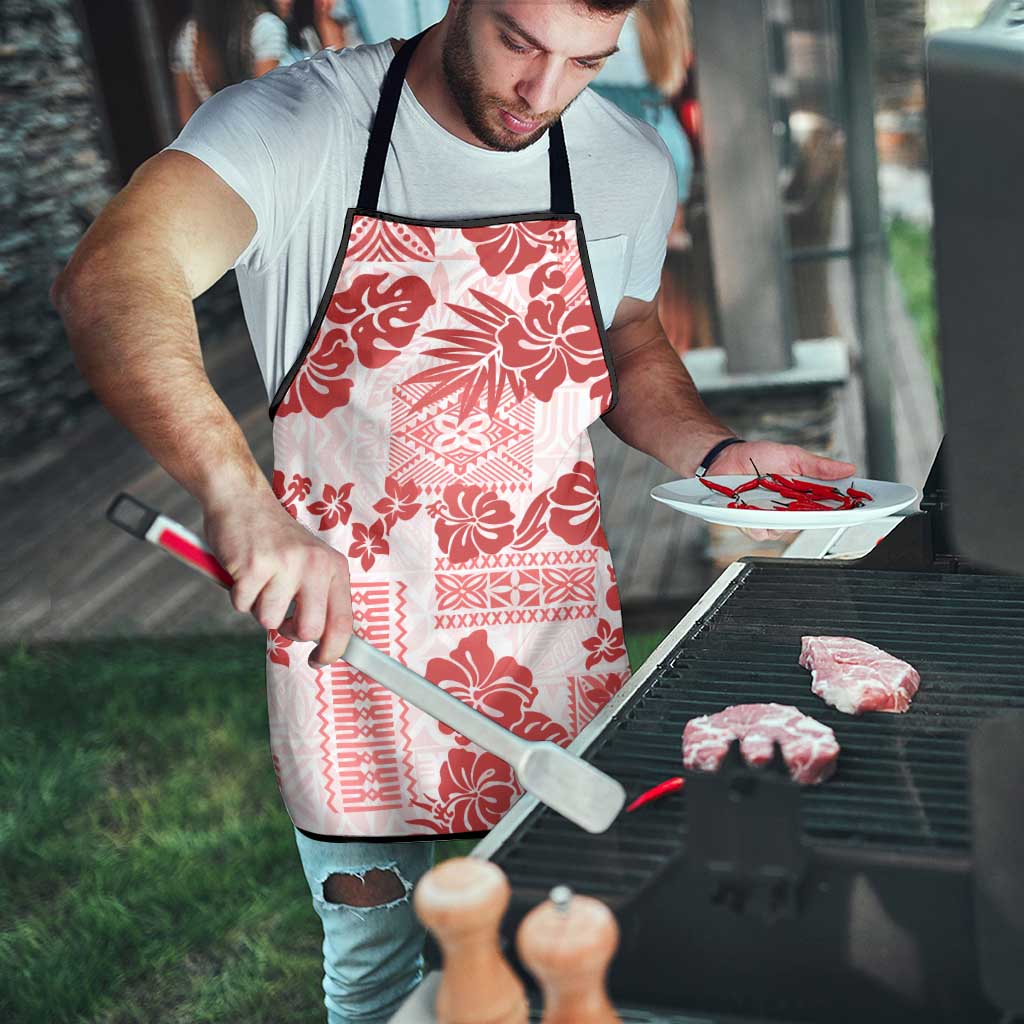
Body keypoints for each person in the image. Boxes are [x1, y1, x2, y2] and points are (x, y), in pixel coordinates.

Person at [53, 2, 856, 1020]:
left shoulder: (624, 160)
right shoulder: (298, 125)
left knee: (572, 954)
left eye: (585, 62)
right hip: (353, 651)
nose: (543, 94)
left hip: (551, 643)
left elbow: (628, 339)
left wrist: (717, 448)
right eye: (520, 42)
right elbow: (113, 275)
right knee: (379, 977)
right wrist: (238, 497)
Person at [169, 0, 289, 127]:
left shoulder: (188, 37)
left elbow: (187, 120)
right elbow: (266, 107)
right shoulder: (266, 27)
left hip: (215, 140)